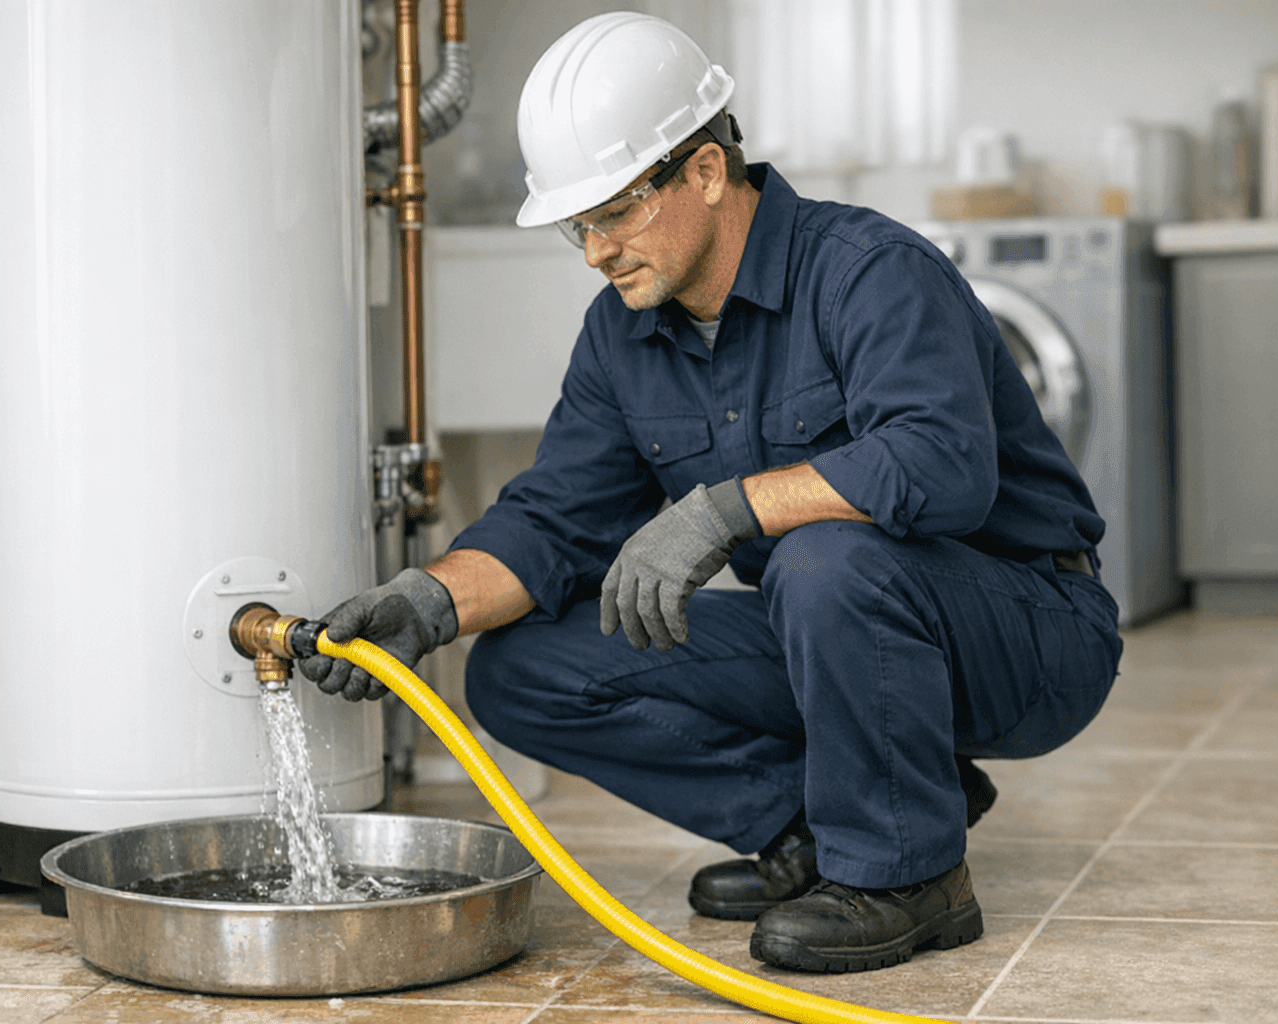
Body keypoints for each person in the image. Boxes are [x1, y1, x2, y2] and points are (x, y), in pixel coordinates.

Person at [300, 11, 1122, 974]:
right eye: (579, 225)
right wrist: (428, 601)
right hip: (831, 631)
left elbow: (941, 465)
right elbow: (555, 519)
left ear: (702, 170)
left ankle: (909, 875)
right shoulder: (622, 333)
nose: (596, 251)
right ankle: (814, 834)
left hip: (1028, 636)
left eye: (614, 213)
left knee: (827, 554)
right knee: (519, 670)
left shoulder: (868, 272)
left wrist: (725, 508)